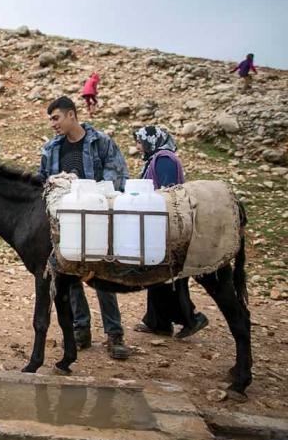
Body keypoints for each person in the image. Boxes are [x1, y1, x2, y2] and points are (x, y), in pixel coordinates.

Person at [38, 96, 131, 359]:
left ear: (71, 115)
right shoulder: (51, 149)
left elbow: (118, 177)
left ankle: (114, 335)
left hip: (98, 218)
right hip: (65, 221)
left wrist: (90, 192)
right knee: (70, 275)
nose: (53, 124)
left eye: (56, 118)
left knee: (101, 276)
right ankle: (81, 330)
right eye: (50, 120)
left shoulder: (101, 142)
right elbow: (42, 181)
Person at [131, 126, 209, 339]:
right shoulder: (156, 159)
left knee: (169, 276)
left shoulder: (164, 159)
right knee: (157, 274)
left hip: (166, 226)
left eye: (140, 142)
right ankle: (158, 322)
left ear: (151, 141)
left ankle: (192, 317)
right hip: (157, 224)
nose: (138, 147)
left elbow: (168, 192)